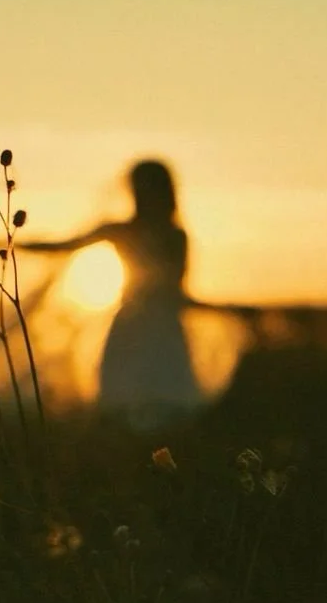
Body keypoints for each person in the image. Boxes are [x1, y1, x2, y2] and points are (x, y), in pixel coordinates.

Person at [19, 159, 206, 428]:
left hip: (163, 330)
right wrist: (9, 244)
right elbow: (63, 246)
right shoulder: (121, 230)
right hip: (132, 328)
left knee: (166, 403)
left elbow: (176, 288)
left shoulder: (175, 236)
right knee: (121, 401)